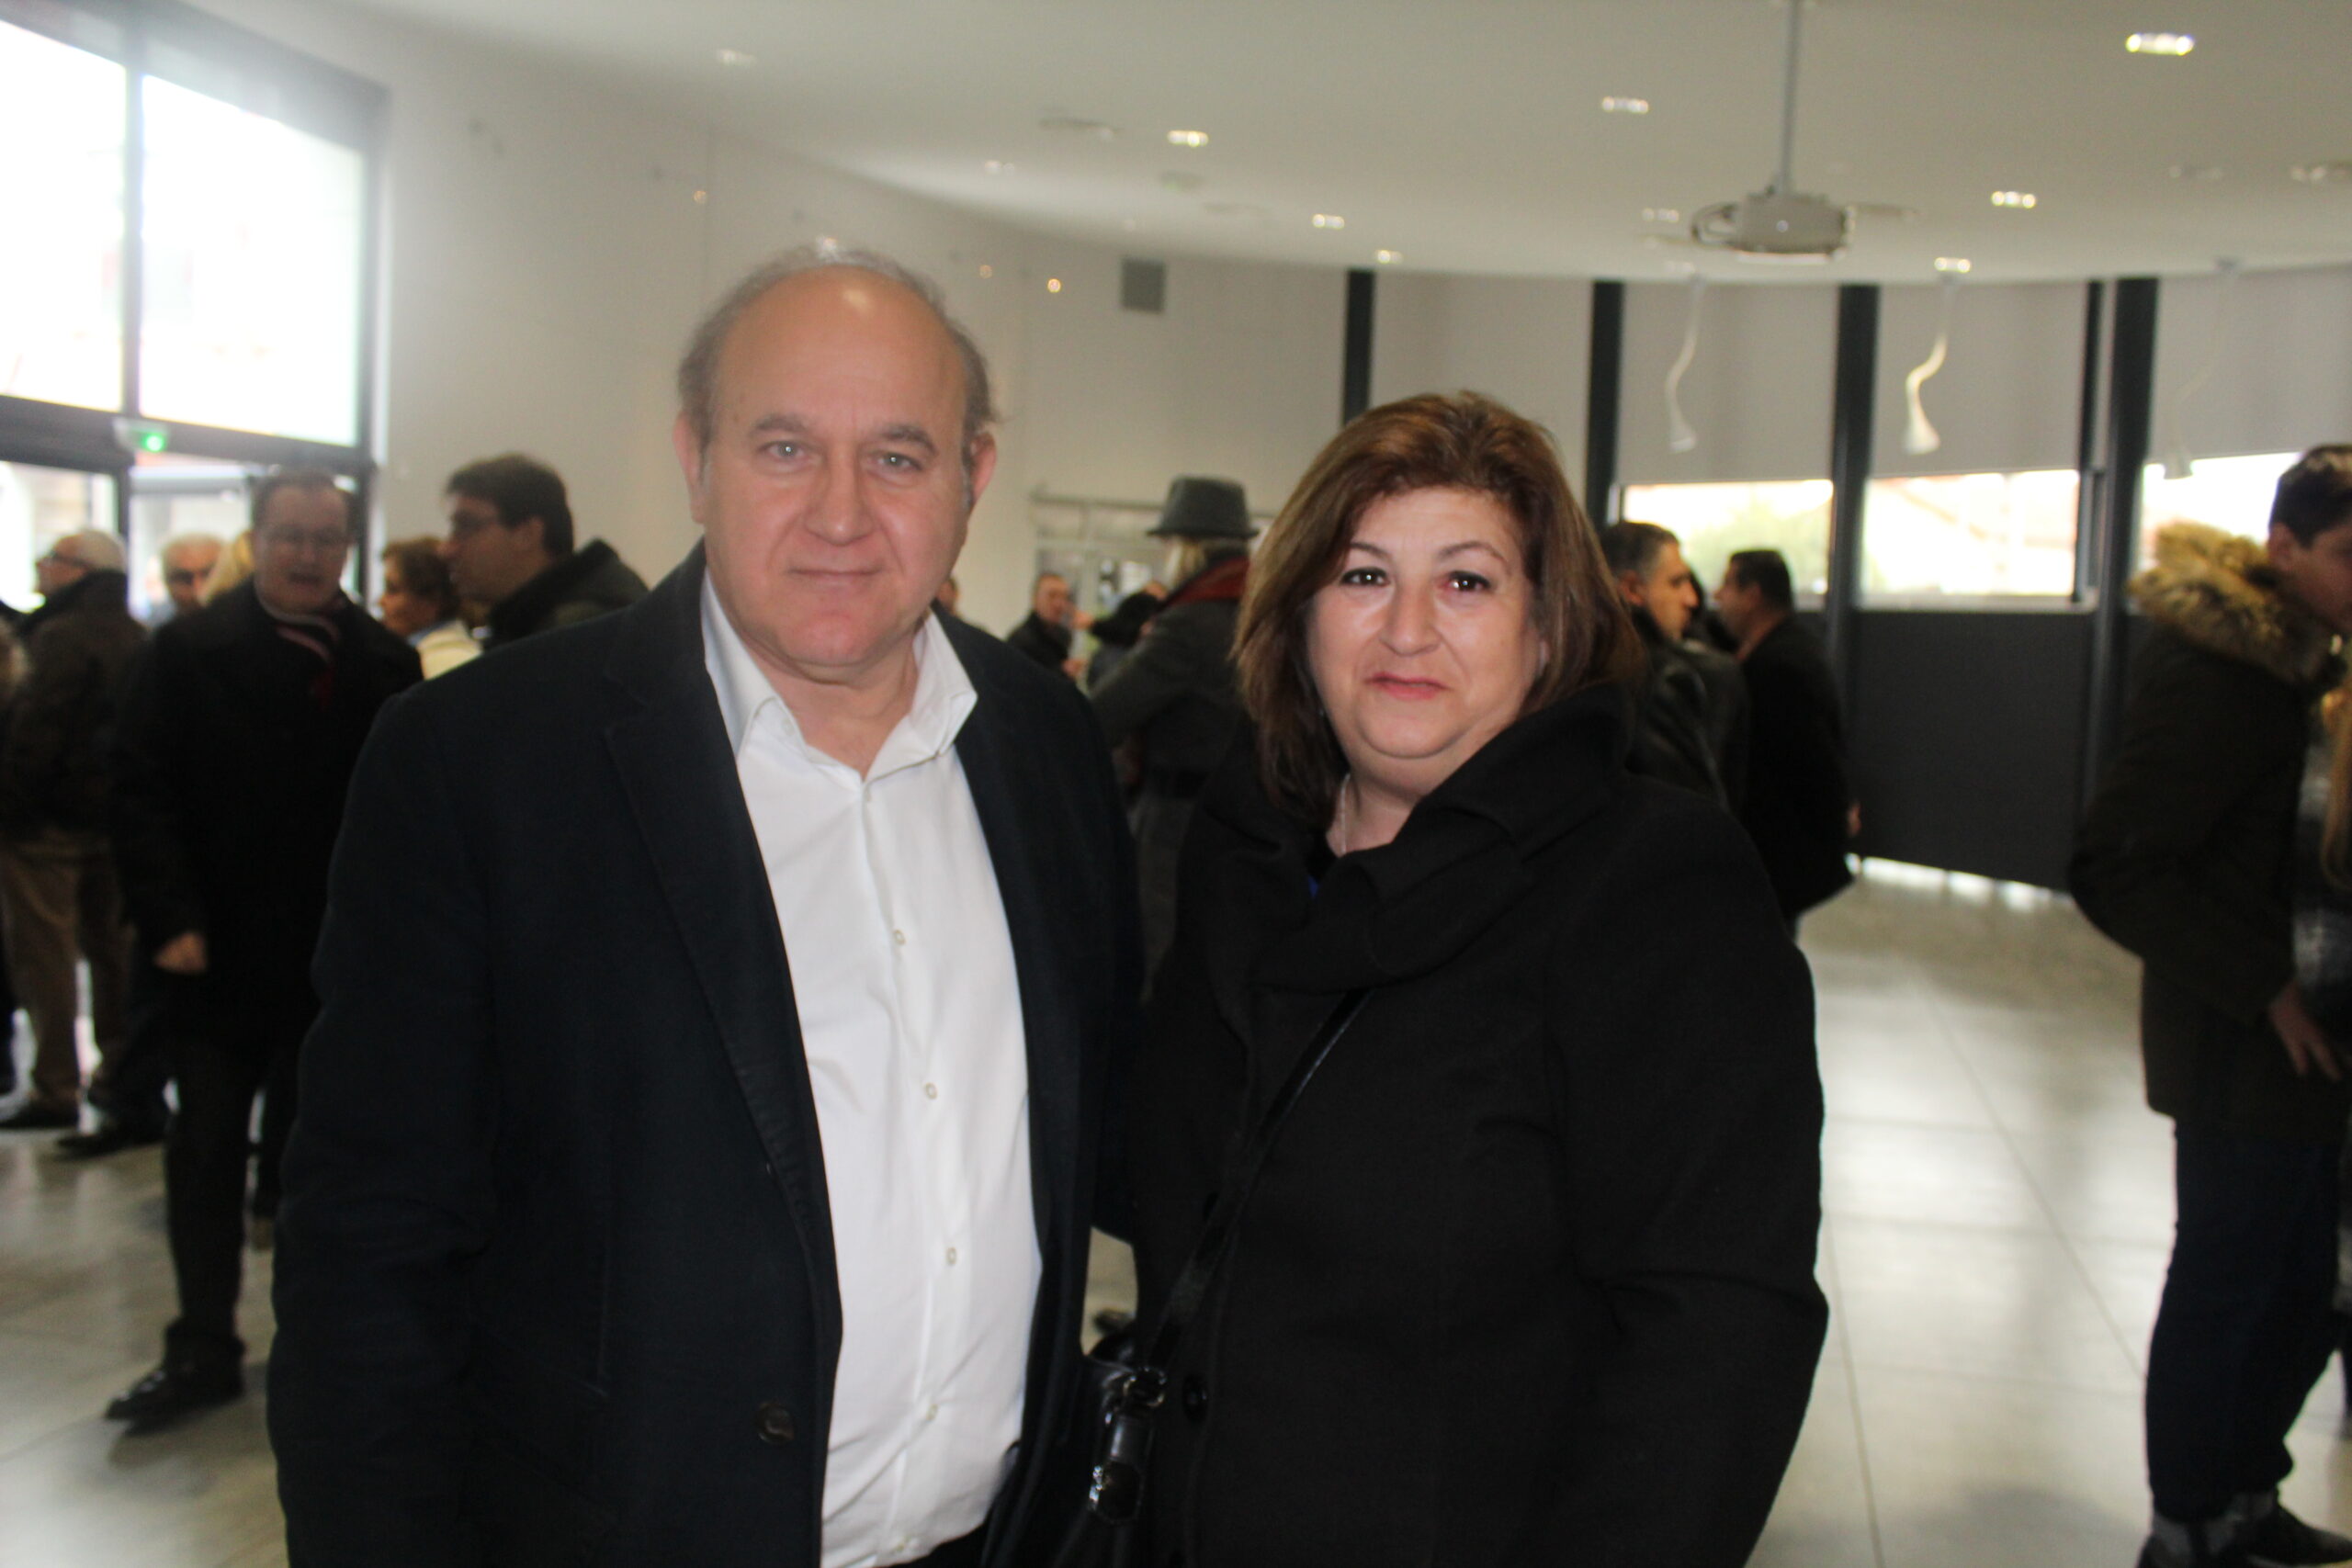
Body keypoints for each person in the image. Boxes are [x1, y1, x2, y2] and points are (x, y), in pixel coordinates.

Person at [269, 248, 1142, 1567]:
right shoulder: (486, 760)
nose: (842, 513)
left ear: (973, 476)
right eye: (786, 447)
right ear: (696, 458)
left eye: (899, 456)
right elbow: (370, 1256)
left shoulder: (1046, 748)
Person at [1126, 392, 1826, 1568]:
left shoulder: (1651, 889)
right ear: (1295, 615)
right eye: (1359, 578)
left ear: (1546, 631)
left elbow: (1716, 1338)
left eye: (1466, 583)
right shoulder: (1244, 848)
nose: (1405, 630)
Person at [2075, 446, 2352, 1568]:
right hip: (2247, 1043)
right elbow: (2117, 863)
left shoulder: (2305, 662)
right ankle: (2188, 1522)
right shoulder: (2221, 669)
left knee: (2299, 1289)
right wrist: (2263, 986)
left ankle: (2243, 1494)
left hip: (2309, 1038)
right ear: (2282, 549)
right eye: (2346, 552)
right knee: (2232, 1285)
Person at [105, 471, 421, 1427]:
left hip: (334, 964)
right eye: (289, 535)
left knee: (321, 1164)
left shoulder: (383, 664)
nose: (306, 555)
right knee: (203, 1148)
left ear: (349, 546)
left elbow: (405, 819)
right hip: (216, 956)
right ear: (258, 538)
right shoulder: (184, 652)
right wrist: (170, 919)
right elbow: (139, 792)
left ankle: (318, 1345)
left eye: (326, 539)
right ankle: (202, 1343)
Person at [0, 530, 144, 1134]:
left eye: (54, 558)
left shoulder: (60, 636)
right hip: (112, 821)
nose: (42, 566)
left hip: (49, 826)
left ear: (80, 571)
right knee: (111, 954)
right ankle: (118, 1073)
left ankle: (56, 1083)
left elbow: (38, 735)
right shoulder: (134, 634)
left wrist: (12, 809)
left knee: (47, 958)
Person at [1091, 477, 1255, 974]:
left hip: (1175, 826)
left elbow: (1103, 717)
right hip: (1246, 816)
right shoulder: (1259, 612)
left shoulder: (1188, 623)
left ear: (1187, 547)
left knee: (1158, 964)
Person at [1714, 548, 1853, 925]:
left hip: (1777, 855)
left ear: (1753, 594)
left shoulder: (1779, 666)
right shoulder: (1786, 647)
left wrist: (1838, 812)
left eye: (1727, 585)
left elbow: (1812, 759)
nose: (1716, 597)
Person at [1603, 520, 1749, 811]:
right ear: (1632, 588)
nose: (1691, 599)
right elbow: (1693, 815)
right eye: (1676, 582)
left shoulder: (1571, 662)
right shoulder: (1657, 678)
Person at [439, 453, 647, 649]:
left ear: (527, 534)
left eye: (465, 526)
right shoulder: (544, 623)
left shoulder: (577, 634)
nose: (446, 550)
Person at [377, 536, 480, 678]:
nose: (381, 601)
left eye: (393, 589)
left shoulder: (443, 664)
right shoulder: (425, 656)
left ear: (432, 598)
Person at [1006, 570, 1083, 676]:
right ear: (1035, 599)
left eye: (1064, 597)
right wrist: (1062, 671)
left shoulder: (1063, 635)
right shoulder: (1019, 640)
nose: (1059, 604)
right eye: (1052, 596)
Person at [154, 532, 226, 622]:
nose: (198, 589)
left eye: (209, 576)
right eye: (184, 578)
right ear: (166, 581)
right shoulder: (157, 629)